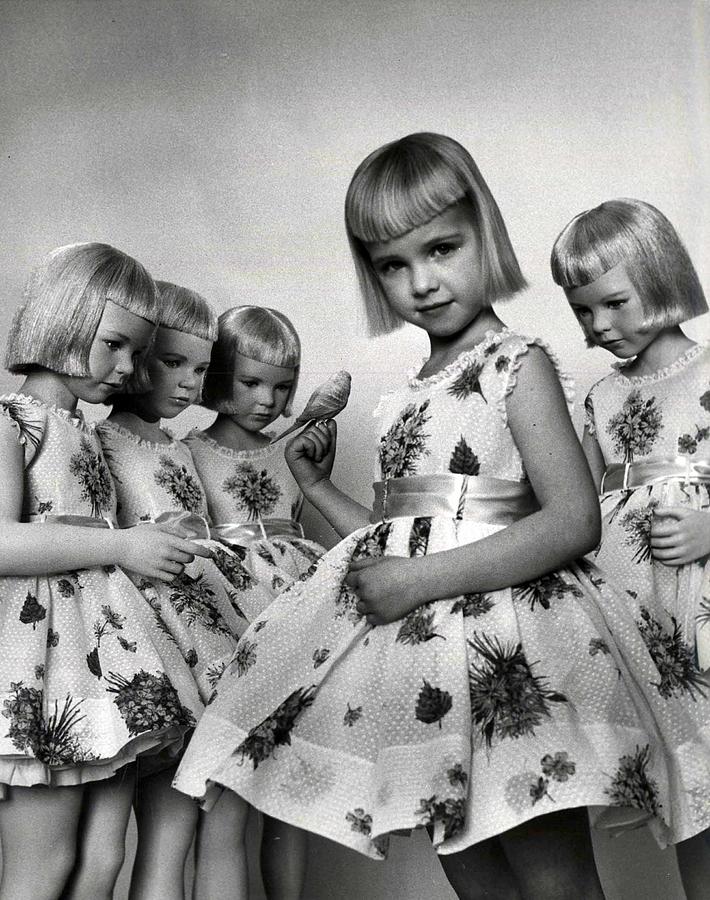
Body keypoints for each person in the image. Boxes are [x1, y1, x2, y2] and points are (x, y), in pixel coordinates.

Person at [174, 134, 710, 900]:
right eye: (393, 264)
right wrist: (318, 489)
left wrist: (415, 581)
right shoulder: (409, 390)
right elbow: (400, 536)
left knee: (554, 882)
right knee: (468, 867)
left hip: (509, 661)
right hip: (427, 666)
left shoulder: (516, 364)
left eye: (442, 248)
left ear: (485, 237)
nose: (421, 282)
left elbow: (571, 521)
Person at [0, 243, 208, 900]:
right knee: (46, 862)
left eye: (137, 354)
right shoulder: (12, 421)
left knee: (103, 858)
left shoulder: (86, 432)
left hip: (103, 658)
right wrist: (121, 546)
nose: (127, 369)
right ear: (66, 318)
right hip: (40, 660)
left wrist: (147, 538)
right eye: (115, 345)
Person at [551, 198, 710, 900]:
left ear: (663, 275)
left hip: (696, 603)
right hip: (630, 613)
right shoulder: (599, 398)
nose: (598, 327)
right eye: (584, 311)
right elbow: (577, 508)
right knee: (680, 791)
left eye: (614, 303)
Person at [97, 280, 260, 900]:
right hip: (150, 646)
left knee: (185, 825)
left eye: (202, 368)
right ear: (139, 357)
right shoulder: (105, 440)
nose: (191, 384)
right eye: (174, 363)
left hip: (209, 640)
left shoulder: (181, 448)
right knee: (132, 837)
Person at [182, 304, 323, 898]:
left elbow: (295, 520)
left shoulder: (293, 450)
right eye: (251, 383)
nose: (268, 400)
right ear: (218, 377)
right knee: (229, 792)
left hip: (300, 613)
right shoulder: (188, 451)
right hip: (234, 622)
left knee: (291, 790)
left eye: (282, 387)